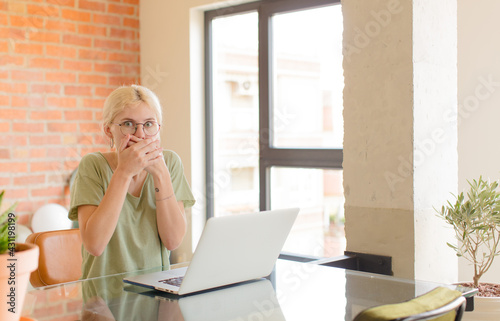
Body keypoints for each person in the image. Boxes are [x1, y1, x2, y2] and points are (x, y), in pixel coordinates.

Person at [69, 85, 195, 279]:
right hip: (104, 299)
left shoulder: (170, 162)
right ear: (109, 130)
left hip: (156, 291)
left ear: (159, 128)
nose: (141, 134)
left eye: (149, 124)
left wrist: (161, 174)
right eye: (128, 124)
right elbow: (94, 245)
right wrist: (124, 172)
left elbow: (173, 241)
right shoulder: (92, 165)